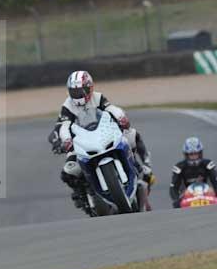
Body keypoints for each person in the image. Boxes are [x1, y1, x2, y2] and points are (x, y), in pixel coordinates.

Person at [48, 70, 155, 210]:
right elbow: (64, 125)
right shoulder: (68, 106)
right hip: (80, 143)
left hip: (102, 133)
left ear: (89, 87)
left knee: (132, 135)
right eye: (74, 92)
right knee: (68, 171)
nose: (78, 95)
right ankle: (81, 195)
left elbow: (111, 108)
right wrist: (66, 140)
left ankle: (141, 164)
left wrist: (121, 117)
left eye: (81, 91)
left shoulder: (97, 97)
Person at [170, 137, 217, 208]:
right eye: (191, 154)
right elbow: (173, 187)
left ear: (200, 153)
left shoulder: (207, 164)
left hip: (206, 193)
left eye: (196, 154)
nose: (194, 156)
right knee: (176, 205)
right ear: (186, 155)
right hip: (187, 194)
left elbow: (215, 180)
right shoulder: (179, 167)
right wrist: (176, 199)